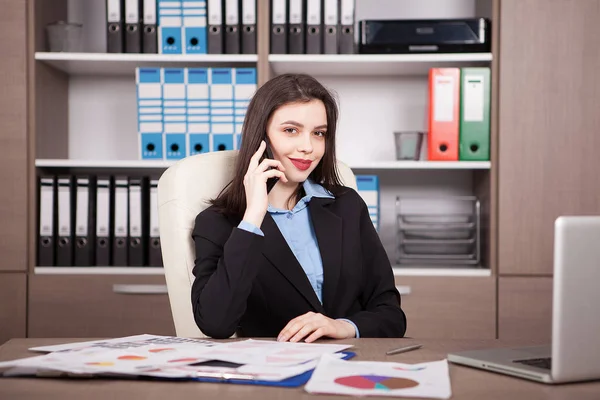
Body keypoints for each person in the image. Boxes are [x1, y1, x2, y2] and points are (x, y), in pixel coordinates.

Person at [191, 73, 407, 342]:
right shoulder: (218, 224)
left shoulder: (348, 207)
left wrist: (342, 326)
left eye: (319, 133)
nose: (308, 147)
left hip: (351, 364)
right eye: (290, 130)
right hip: (273, 374)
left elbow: (391, 315)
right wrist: (253, 216)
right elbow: (215, 323)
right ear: (262, 136)